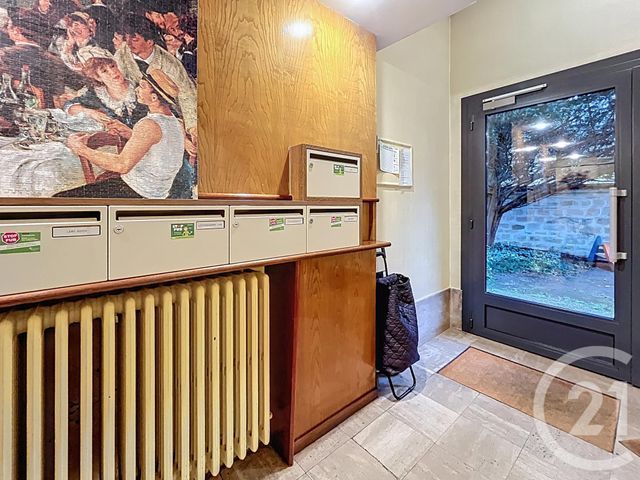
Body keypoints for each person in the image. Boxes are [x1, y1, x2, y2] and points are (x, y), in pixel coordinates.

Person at [62, 68, 185, 199]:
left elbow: (121, 165)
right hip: (157, 193)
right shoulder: (176, 123)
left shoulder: (149, 124)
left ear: (154, 98)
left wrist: (80, 149)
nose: (136, 89)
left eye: (142, 87)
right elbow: (157, 147)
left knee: (60, 198)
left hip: (137, 193)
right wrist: (131, 133)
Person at [114, 14, 197, 148]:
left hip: (169, 113)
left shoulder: (170, 64)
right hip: (137, 112)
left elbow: (186, 94)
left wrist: (192, 127)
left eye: (134, 39)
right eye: (126, 38)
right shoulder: (122, 55)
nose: (128, 43)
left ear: (150, 42)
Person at [0, 10, 86, 108]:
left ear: (17, 31)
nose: (6, 29)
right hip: (48, 113)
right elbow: (83, 84)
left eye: (8, 26)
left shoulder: (4, 54)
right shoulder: (56, 61)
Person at [65, 56, 148, 134]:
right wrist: (90, 112)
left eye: (112, 66)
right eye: (104, 71)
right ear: (98, 78)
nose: (112, 71)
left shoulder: (140, 88)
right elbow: (69, 106)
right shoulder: (97, 95)